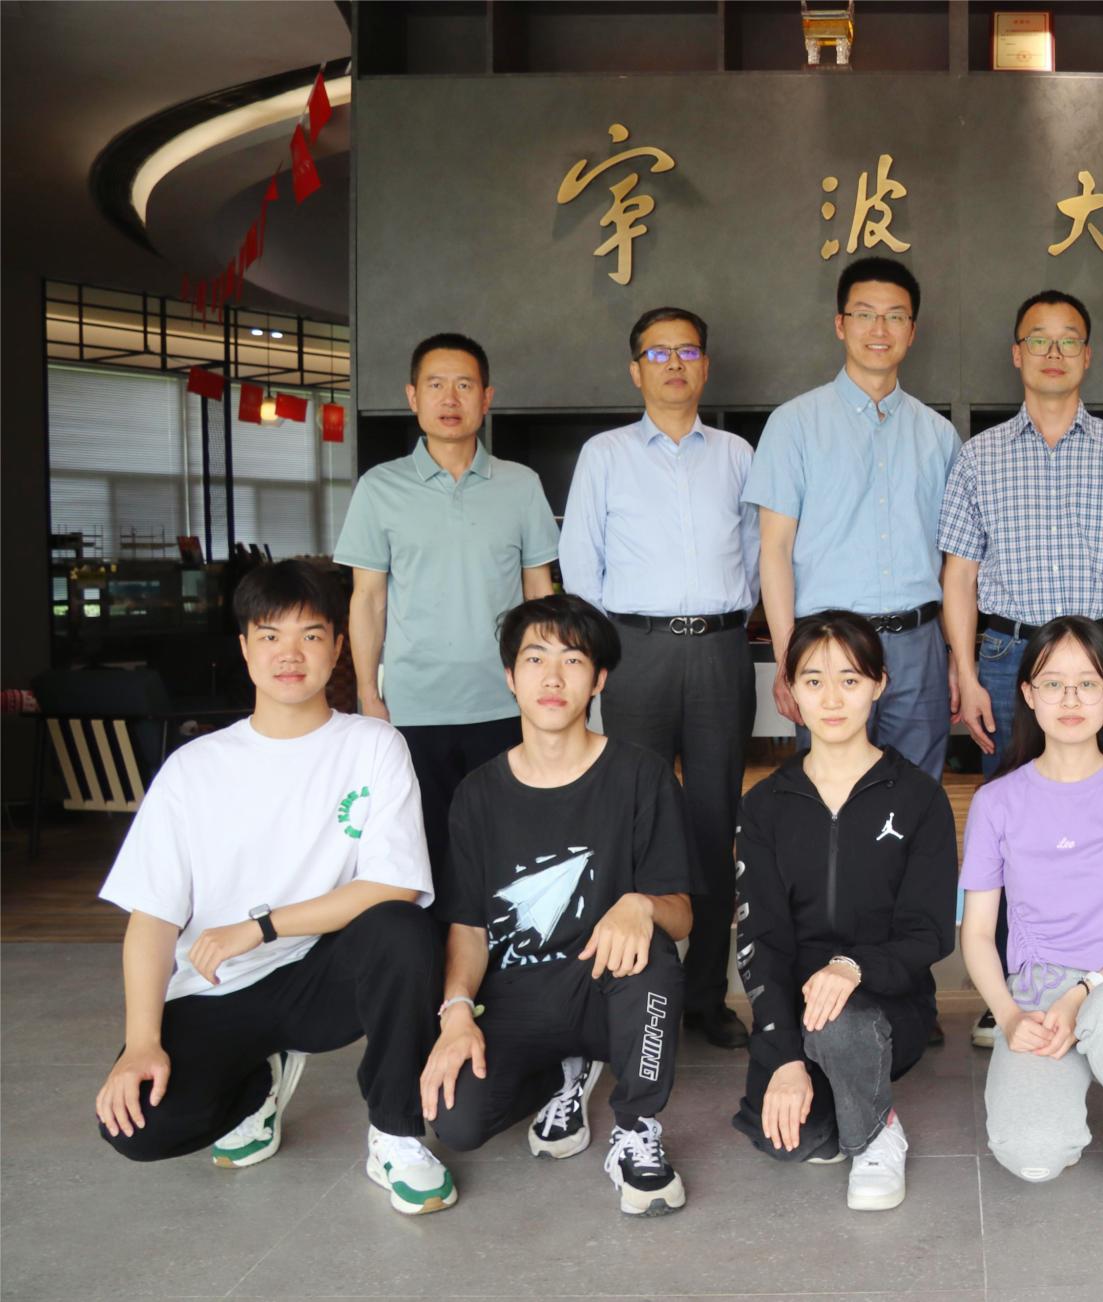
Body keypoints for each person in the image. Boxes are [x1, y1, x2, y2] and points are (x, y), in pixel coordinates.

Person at [94, 560, 456, 1215]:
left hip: (321, 976)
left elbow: (394, 886)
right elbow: (152, 918)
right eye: (270, 636)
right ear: (244, 648)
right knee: (139, 1127)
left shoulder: (373, 745)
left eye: (310, 636)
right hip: (217, 986)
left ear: (337, 647)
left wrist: (261, 927)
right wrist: (142, 1041)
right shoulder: (194, 769)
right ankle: (255, 1087)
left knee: (402, 931)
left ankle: (395, 1131)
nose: (290, 654)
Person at [941, 290, 1103, 1046]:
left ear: (1087, 354)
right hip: (1010, 659)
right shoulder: (978, 456)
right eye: (1038, 340)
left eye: (1068, 340)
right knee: (1013, 822)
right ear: (1017, 354)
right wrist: (965, 670)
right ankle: (1011, 992)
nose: (1053, 353)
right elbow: (959, 577)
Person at [420, 594, 697, 1217]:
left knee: (652, 955)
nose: (552, 677)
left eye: (572, 661)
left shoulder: (640, 775)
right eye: (535, 659)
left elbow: (682, 915)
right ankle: (562, 1073)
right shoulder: (476, 795)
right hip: (517, 995)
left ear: (598, 680)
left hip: (607, 987)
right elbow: (468, 926)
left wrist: (642, 904)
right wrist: (456, 1011)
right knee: (456, 1122)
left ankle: (637, 1127)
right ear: (510, 676)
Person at [560, 307, 759, 1052]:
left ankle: (705, 997)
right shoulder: (605, 455)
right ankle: (637, 987)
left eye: (688, 351)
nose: (674, 364)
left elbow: (756, 554)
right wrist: (597, 659)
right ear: (635, 370)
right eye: (657, 353)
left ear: (705, 366)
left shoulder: (738, 455)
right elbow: (581, 563)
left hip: (718, 652)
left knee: (714, 824)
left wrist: (727, 620)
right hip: (632, 652)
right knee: (635, 820)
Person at [730, 611, 958, 1211]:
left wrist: (852, 966)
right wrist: (782, 1056)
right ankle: (840, 1089)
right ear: (790, 690)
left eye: (850, 680)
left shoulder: (918, 797)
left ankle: (877, 1135)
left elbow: (930, 931)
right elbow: (760, 941)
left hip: (888, 1002)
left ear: (879, 684)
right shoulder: (765, 805)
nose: (831, 699)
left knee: (843, 1027)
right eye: (813, 681)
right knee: (792, 1141)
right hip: (795, 1007)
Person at [959, 617, 1103, 1215]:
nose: (1069, 700)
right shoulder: (995, 802)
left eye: (1087, 684)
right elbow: (977, 933)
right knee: (1031, 1156)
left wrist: (1084, 992)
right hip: (1036, 997)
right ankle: (1081, 1081)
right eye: (1053, 684)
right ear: (1028, 694)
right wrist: (1009, 1015)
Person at [334, 332, 560, 884]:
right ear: (413, 397)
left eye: (464, 385)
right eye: (436, 385)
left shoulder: (521, 485)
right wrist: (368, 694)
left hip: (505, 700)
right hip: (414, 705)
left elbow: (540, 592)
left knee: (509, 847)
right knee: (424, 851)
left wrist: (547, 682)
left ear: (487, 398)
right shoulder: (379, 487)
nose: (450, 399)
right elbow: (368, 599)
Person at [744, 257, 962, 779]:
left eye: (895, 316)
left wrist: (957, 656)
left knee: (916, 791)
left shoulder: (939, 436)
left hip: (918, 645)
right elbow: (774, 550)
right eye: (865, 314)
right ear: (841, 324)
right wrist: (788, 659)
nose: (879, 329)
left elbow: (957, 560)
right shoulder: (794, 425)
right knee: (832, 793)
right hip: (826, 647)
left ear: (912, 330)